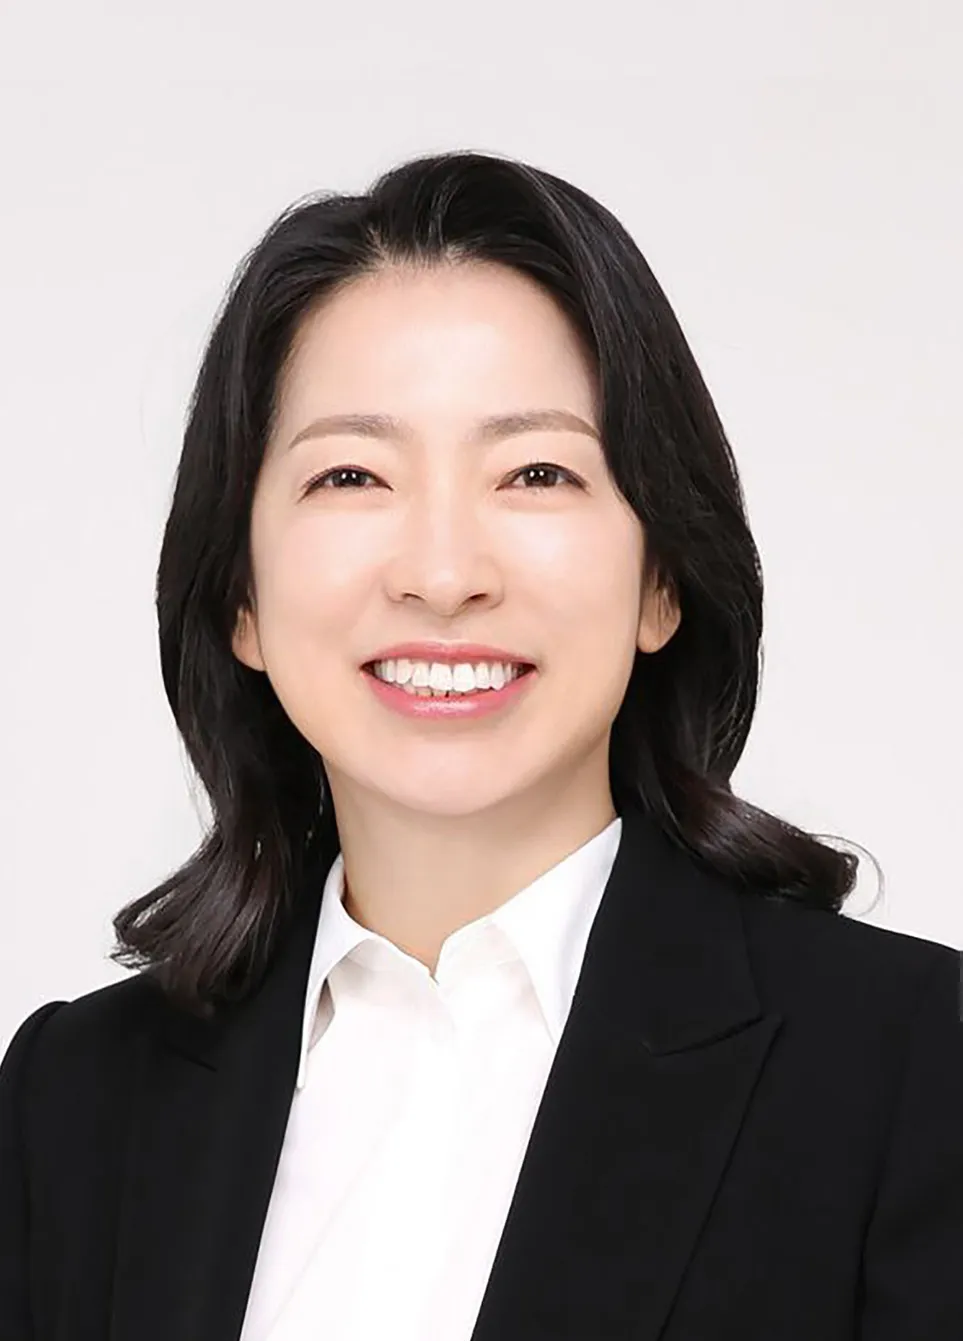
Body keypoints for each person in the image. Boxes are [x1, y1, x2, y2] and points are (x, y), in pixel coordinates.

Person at [1, 149, 961, 1341]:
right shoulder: (72, 1105)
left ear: (662, 579)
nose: (444, 574)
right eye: (352, 475)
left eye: (536, 473)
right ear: (240, 594)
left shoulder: (912, 1067)